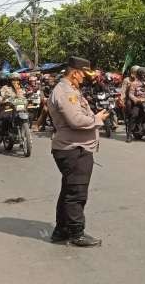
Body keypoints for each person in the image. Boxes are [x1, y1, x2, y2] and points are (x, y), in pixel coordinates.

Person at [47, 57, 108, 247]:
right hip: (74, 150)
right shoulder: (65, 92)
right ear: (75, 73)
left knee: (69, 190)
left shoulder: (71, 89)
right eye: (84, 75)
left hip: (75, 148)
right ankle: (76, 233)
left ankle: (61, 230)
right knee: (76, 194)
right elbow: (76, 120)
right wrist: (97, 119)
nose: (85, 79)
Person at [0, 72, 26, 154]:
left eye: (17, 80)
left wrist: (18, 91)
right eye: (14, 80)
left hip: (19, 108)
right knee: (1, 123)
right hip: (8, 108)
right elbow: (0, 97)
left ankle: (23, 136)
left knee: (29, 116)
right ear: (10, 80)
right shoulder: (5, 88)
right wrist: (2, 99)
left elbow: (24, 98)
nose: (16, 81)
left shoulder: (21, 88)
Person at [120, 66, 139, 141]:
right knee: (132, 114)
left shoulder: (141, 79)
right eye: (137, 72)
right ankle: (129, 134)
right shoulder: (127, 80)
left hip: (140, 99)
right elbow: (123, 91)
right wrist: (122, 99)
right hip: (130, 99)